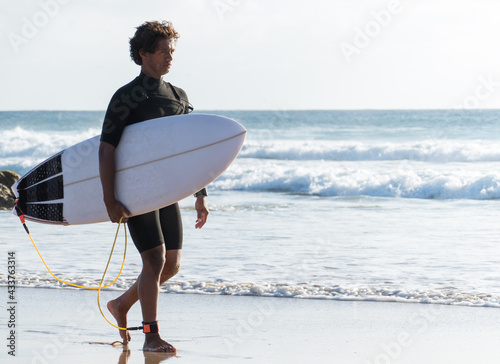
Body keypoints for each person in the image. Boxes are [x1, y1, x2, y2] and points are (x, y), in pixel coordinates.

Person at [98, 20, 209, 353]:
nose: (169, 56)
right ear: (143, 53)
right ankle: (151, 336)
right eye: (162, 51)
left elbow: (190, 152)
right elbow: (107, 149)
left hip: (168, 191)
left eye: (172, 50)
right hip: (137, 189)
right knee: (155, 260)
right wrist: (109, 199)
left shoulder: (179, 96)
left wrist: (200, 195)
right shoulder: (127, 96)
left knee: (171, 264)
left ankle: (120, 305)